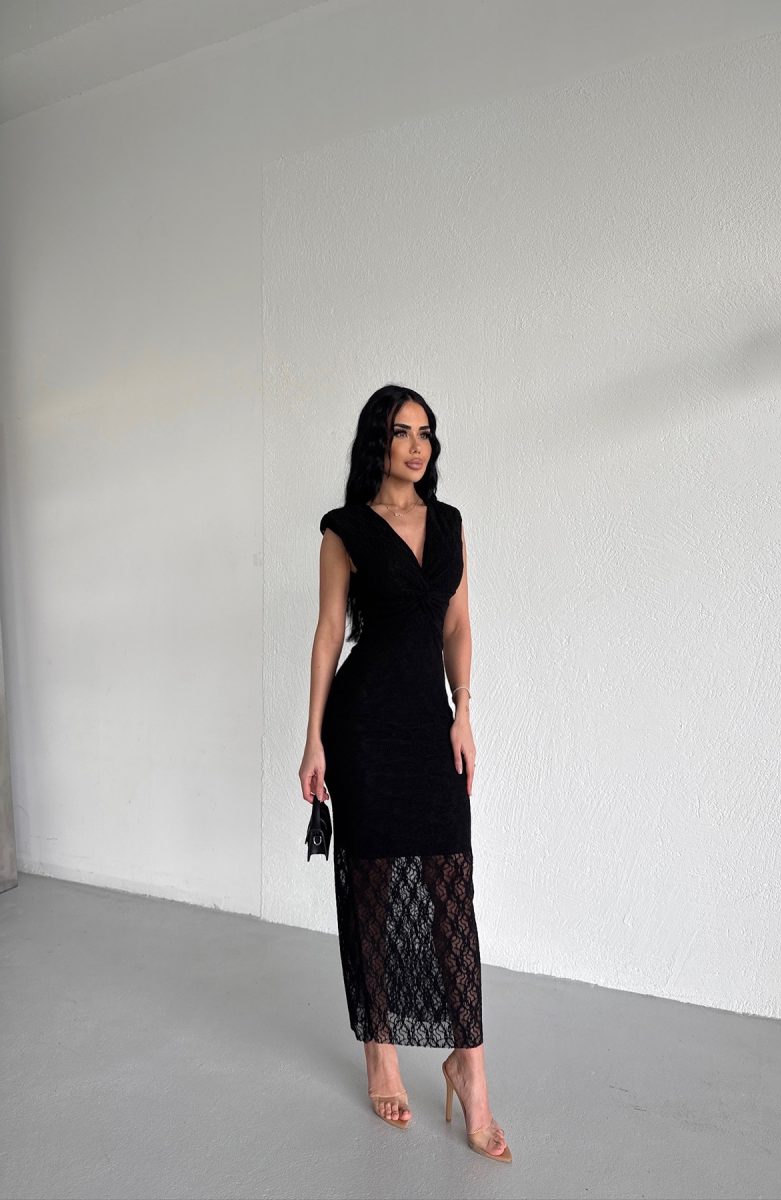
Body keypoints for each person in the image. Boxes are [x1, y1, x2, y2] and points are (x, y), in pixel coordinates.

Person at [299, 384, 511, 1163]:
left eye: (426, 432)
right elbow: (329, 633)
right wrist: (312, 739)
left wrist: (464, 710)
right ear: (377, 442)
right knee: (375, 889)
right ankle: (381, 1052)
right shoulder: (345, 529)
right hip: (361, 728)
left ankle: (470, 1068)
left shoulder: (449, 523)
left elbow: (457, 623)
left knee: (453, 891)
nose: (417, 446)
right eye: (401, 432)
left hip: (430, 725)